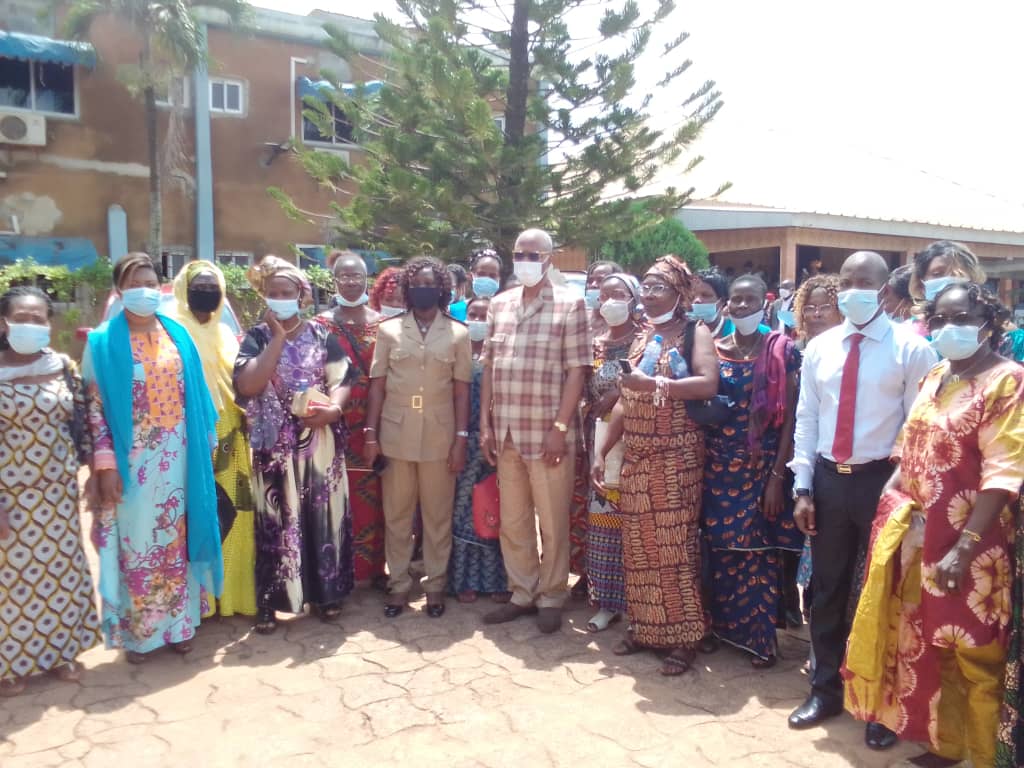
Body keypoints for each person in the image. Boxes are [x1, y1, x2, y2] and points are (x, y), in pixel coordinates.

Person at [844, 282, 1024, 768]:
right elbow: (911, 441)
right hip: (919, 535)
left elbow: (1004, 471)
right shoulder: (938, 374)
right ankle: (948, 747)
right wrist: (894, 484)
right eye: (939, 319)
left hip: (972, 544)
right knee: (936, 645)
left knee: (977, 655)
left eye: (958, 317)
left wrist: (963, 548)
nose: (947, 327)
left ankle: (985, 757)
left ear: (987, 322)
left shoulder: (1007, 381)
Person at [787, 251, 937, 750]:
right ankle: (825, 689)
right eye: (846, 282)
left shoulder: (911, 350)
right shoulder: (821, 348)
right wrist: (803, 488)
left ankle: (881, 705)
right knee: (827, 590)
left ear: (884, 290)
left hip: (883, 482)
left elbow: (919, 431)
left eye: (865, 282)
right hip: (830, 481)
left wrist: (901, 491)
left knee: (883, 595)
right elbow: (807, 420)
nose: (854, 291)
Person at [83, 253, 222, 663]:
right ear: (119, 290)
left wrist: (206, 448)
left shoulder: (177, 334)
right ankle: (139, 635)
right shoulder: (102, 342)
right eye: (133, 282)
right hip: (133, 467)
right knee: (139, 545)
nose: (143, 290)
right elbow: (93, 409)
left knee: (176, 540)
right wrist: (104, 466)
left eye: (150, 281)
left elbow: (197, 398)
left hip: (180, 460)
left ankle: (180, 626)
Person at [591, 255, 719, 675]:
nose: (648, 293)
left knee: (673, 548)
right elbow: (629, 399)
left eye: (658, 286)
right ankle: (644, 628)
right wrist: (604, 450)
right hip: (638, 456)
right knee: (639, 548)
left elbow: (706, 383)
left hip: (676, 457)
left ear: (679, 294)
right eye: (645, 286)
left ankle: (683, 638)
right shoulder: (643, 337)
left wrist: (657, 384)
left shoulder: (693, 332)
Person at [234, 255, 357, 634]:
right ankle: (272, 602)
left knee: (322, 516)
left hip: (318, 443)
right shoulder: (255, 337)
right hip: (274, 448)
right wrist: (277, 340)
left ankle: (327, 595)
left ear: (302, 297)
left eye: (288, 293)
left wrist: (334, 410)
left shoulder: (323, 335)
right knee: (275, 521)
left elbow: (343, 377)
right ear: (265, 297)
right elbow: (248, 385)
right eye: (273, 293)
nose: (280, 298)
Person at [479, 228, 591, 634]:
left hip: (548, 434)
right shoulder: (501, 304)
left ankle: (552, 595)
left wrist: (560, 427)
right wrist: (485, 423)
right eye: (518, 253)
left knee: (552, 520)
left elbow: (578, 370)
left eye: (532, 254)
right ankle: (522, 593)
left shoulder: (570, 304)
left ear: (549, 258)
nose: (524, 259)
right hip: (506, 431)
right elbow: (490, 365)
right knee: (514, 520)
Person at [0, 287, 100, 695]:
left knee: (60, 575)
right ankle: (11, 664)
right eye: (23, 317)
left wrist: (94, 474)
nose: (32, 325)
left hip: (56, 495)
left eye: (39, 318)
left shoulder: (62, 366)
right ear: (3, 323)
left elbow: (84, 422)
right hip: (10, 496)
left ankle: (60, 653)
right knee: (12, 581)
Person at [364, 256, 472, 618]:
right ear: (408, 290)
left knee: (437, 517)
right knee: (397, 515)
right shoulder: (389, 330)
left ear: (442, 290)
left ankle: (435, 586)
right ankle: (397, 585)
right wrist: (370, 434)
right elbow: (377, 385)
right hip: (395, 435)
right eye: (416, 284)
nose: (423, 289)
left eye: (431, 284)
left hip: (440, 438)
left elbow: (461, 392)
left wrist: (460, 439)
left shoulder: (458, 333)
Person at [702, 275, 801, 668]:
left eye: (750, 300)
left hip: (762, 470)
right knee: (719, 549)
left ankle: (760, 640)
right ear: (726, 305)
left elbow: (791, 417)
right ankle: (721, 629)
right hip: (718, 466)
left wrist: (778, 477)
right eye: (736, 301)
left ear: (766, 304)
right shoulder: (714, 349)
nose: (742, 307)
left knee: (757, 553)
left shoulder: (781, 349)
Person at [167, 261, 256, 619]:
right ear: (183, 289)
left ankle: (231, 596)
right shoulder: (172, 331)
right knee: (197, 516)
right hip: (191, 437)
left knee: (237, 514)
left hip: (231, 435)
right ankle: (200, 602)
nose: (206, 291)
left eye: (212, 284)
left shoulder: (224, 333)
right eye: (198, 284)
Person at [315, 250, 386, 587]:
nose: (351, 281)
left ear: (367, 279)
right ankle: (337, 571)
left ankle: (372, 571)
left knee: (373, 498)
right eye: (344, 276)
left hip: (374, 424)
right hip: (333, 425)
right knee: (334, 496)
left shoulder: (382, 324)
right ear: (334, 280)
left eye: (357, 275)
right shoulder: (320, 325)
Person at [583, 272, 641, 632]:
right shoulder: (593, 343)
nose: (610, 301)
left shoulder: (645, 341)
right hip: (599, 440)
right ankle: (606, 601)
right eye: (604, 295)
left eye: (618, 294)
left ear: (634, 299)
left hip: (636, 442)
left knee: (634, 525)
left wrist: (617, 396)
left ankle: (637, 604)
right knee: (603, 521)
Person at [446, 296, 509, 602]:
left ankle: (498, 581)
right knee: (462, 510)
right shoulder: (453, 352)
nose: (479, 320)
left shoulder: (503, 352)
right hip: (460, 441)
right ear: (463, 316)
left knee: (496, 507)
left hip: (495, 442)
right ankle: (463, 580)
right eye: (474, 314)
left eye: (486, 315)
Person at [791, 274, 844, 628]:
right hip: (803, 463)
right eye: (809, 307)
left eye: (826, 307)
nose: (817, 314)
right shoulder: (795, 351)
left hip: (837, 465)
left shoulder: (845, 354)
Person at [909, 240, 987, 304]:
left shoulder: (987, 321)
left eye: (958, 275)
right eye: (937, 274)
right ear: (921, 285)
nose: (948, 279)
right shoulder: (910, 323)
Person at [688, 267, 732, 339]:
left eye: (705, 295)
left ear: (722, 301)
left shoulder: (734, 331)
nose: (697, 300)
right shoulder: (682, 332)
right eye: (692, 296)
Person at [584, 260, 622, 335]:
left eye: (600, 280)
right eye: (590, 281)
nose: (593, 285)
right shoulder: (581, 319)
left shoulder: (624, 322)